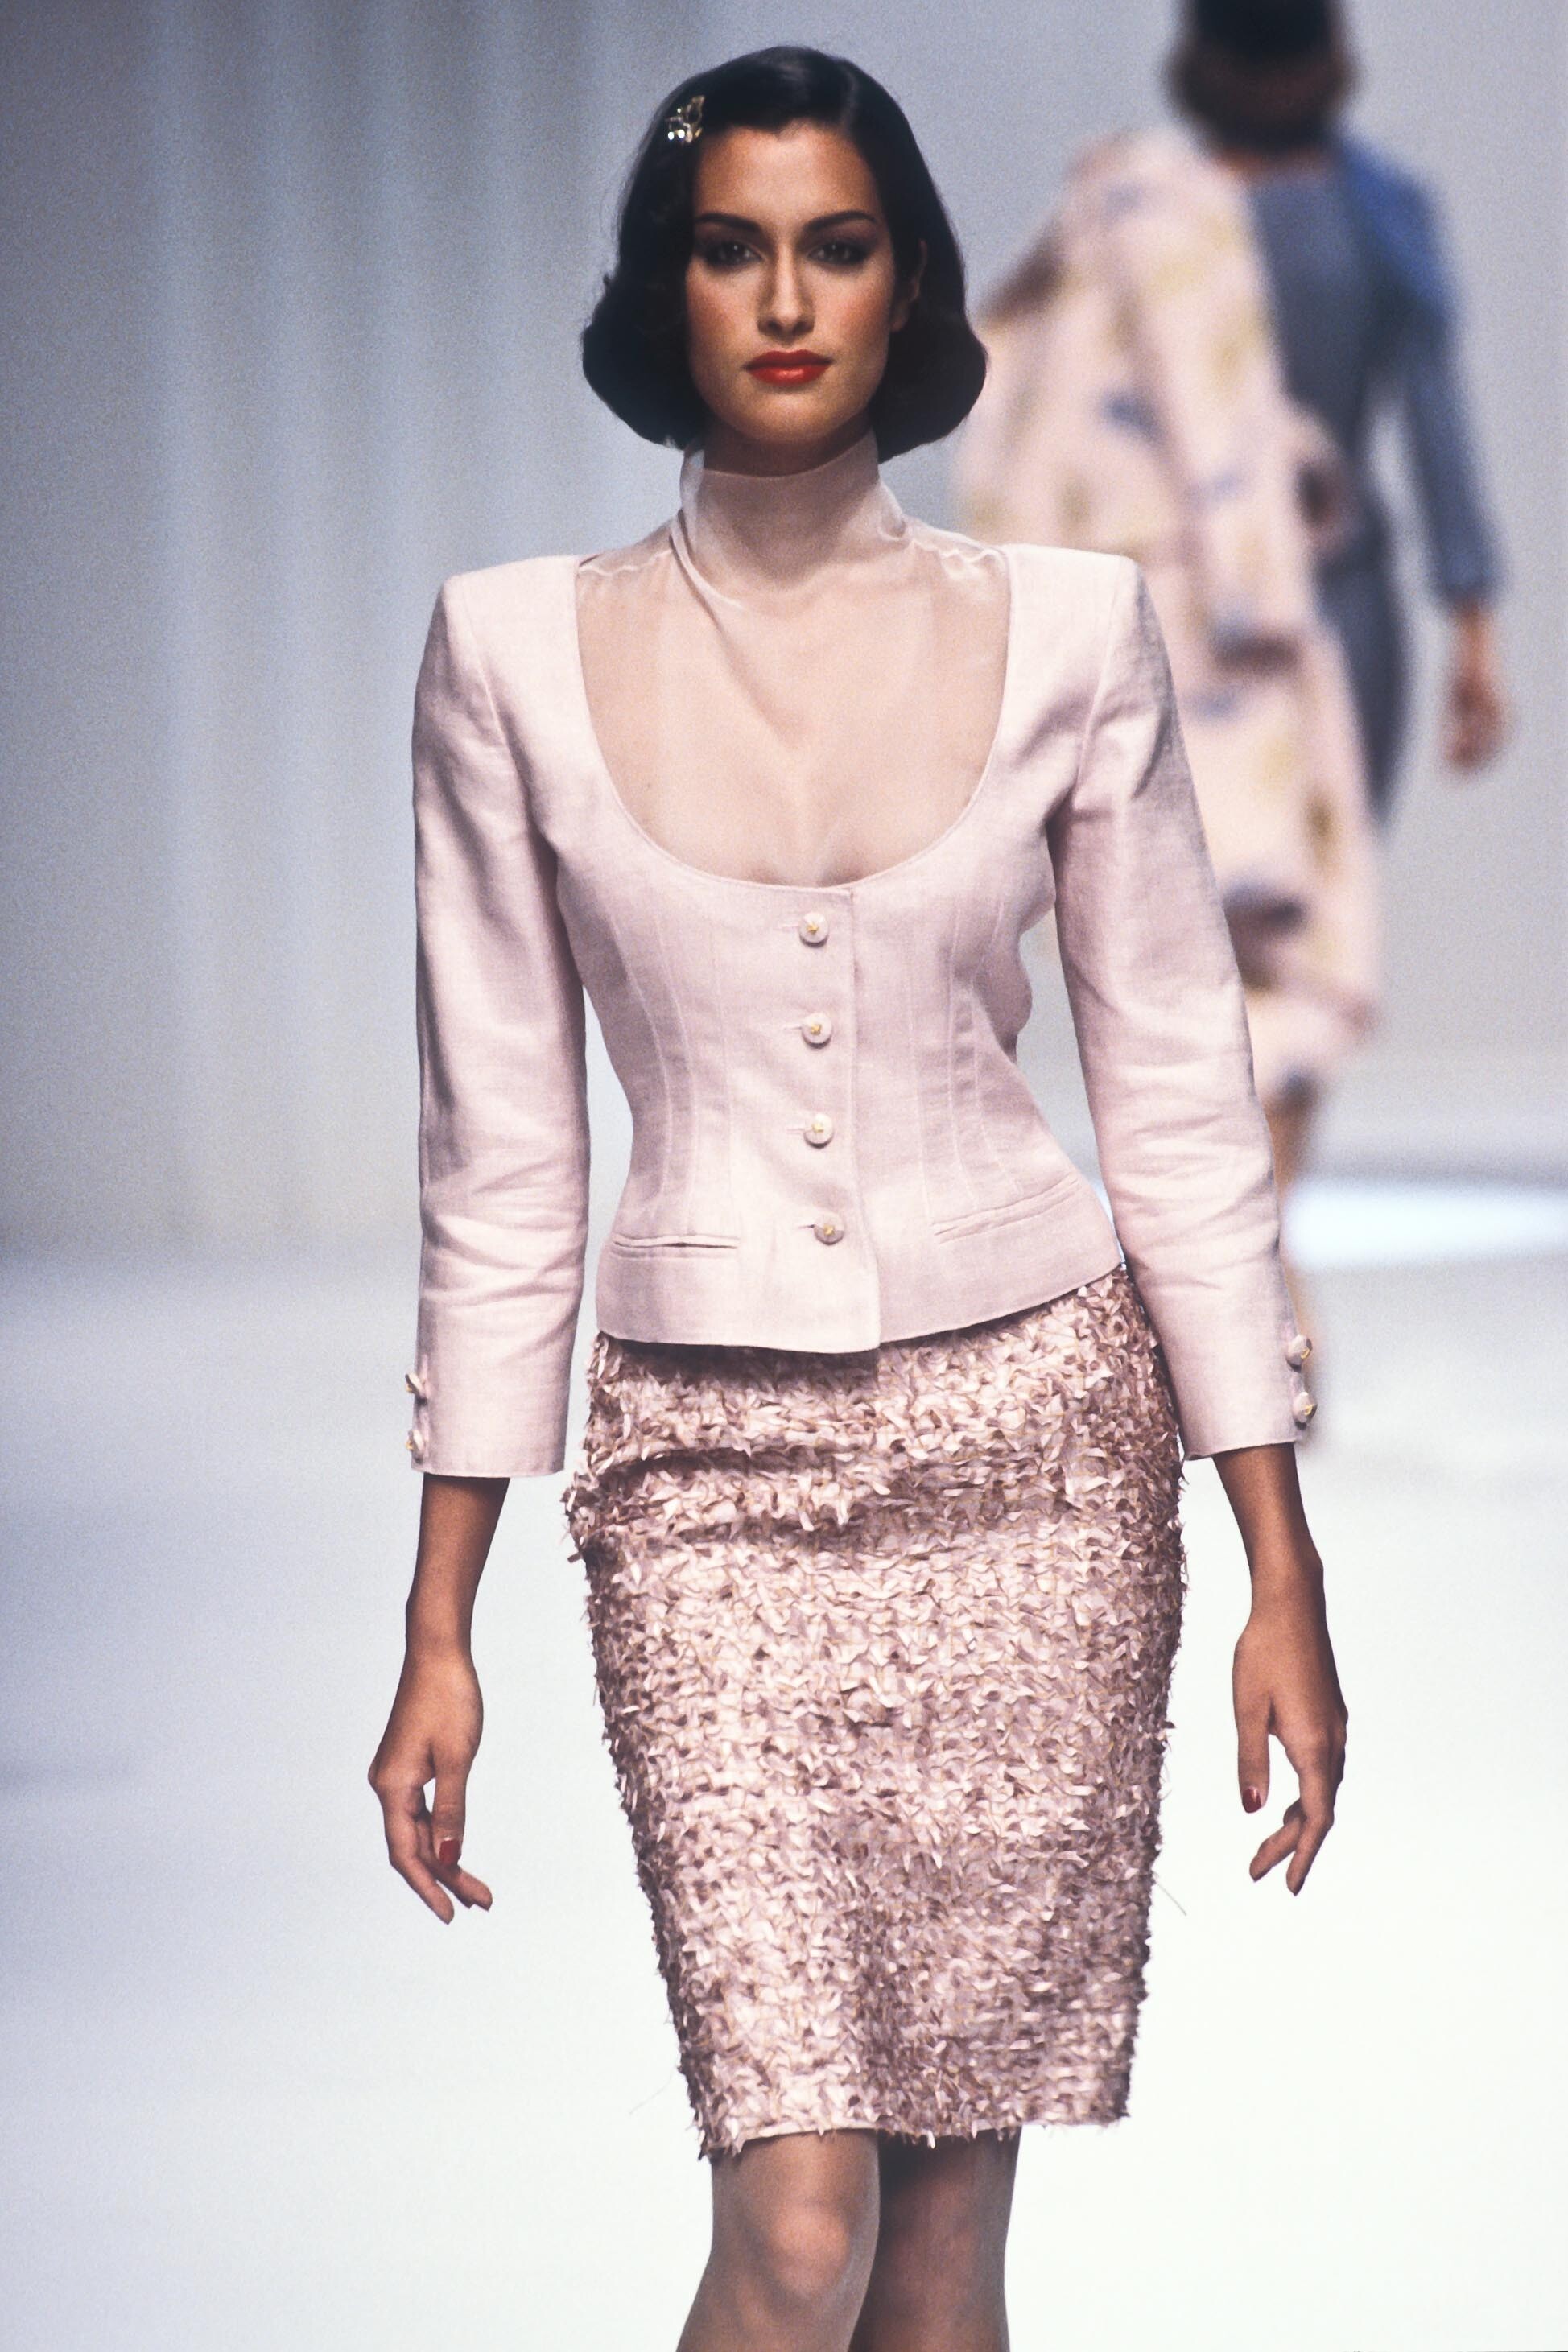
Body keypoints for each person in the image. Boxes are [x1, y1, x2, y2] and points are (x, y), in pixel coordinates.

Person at [369, 47, 1347, 2352]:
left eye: (835, 246)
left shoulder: (1072, 631)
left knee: (935, 2247)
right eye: (731, 248)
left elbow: (1176, 1101)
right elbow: (503, 1160)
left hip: (1040, 1470)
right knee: (795, 2223)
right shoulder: (507, 655)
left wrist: (1277, 1557)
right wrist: (441, 1617)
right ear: (665, 287)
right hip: (703, 1486)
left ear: (907, 285)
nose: (785, 299)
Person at [957, 0, 1508, 1326]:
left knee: (1296, 926)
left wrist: (1472, 626)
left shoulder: (1356, 210)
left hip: (1324, 607)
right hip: (1179, 610)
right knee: (1176, 928)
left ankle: (1259, 1236)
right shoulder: (1141, 204)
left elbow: (1433, 421)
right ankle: (1229, 1246)